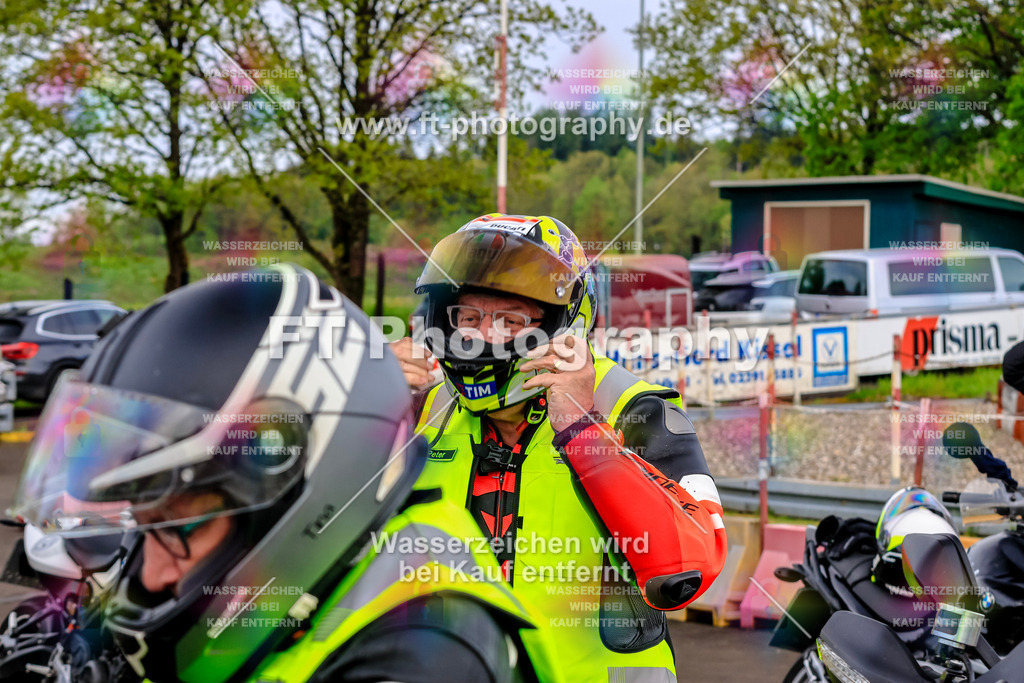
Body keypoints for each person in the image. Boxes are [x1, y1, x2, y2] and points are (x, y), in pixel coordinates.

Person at [10, 264, 558, 683]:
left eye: (179, 531)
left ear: (292, 494)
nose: (151, 577)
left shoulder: (422, 651)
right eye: (145, 527)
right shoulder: (314, 565)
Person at [392, 214, 728, 682]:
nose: (481, 337)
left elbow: (690, 565)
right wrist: (372, 415)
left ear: (560, 326)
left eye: (509, 320)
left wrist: (582, 429)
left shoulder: (636, 409)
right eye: (468, 318)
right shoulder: (422, 410)